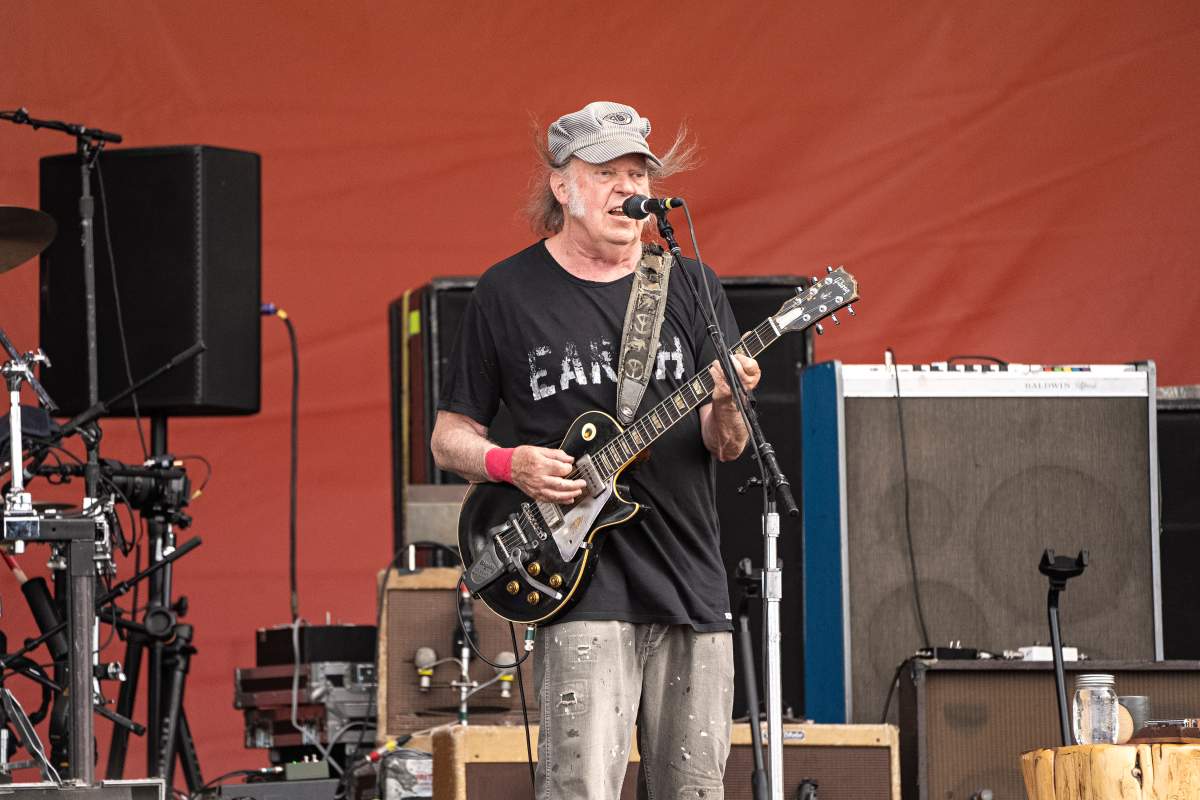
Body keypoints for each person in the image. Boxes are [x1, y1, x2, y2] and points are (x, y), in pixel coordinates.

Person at [430, 100, 761, 799]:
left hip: (691, 583)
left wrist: (730, 404)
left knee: (697, 789)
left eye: (636, 172)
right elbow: (448, 435)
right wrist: (510, 463)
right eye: (606, 172)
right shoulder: (507, 292)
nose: (626, 189)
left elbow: (725, 446)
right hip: (576, 583)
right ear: (563, 186)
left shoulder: (689, 286)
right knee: (579, 787)